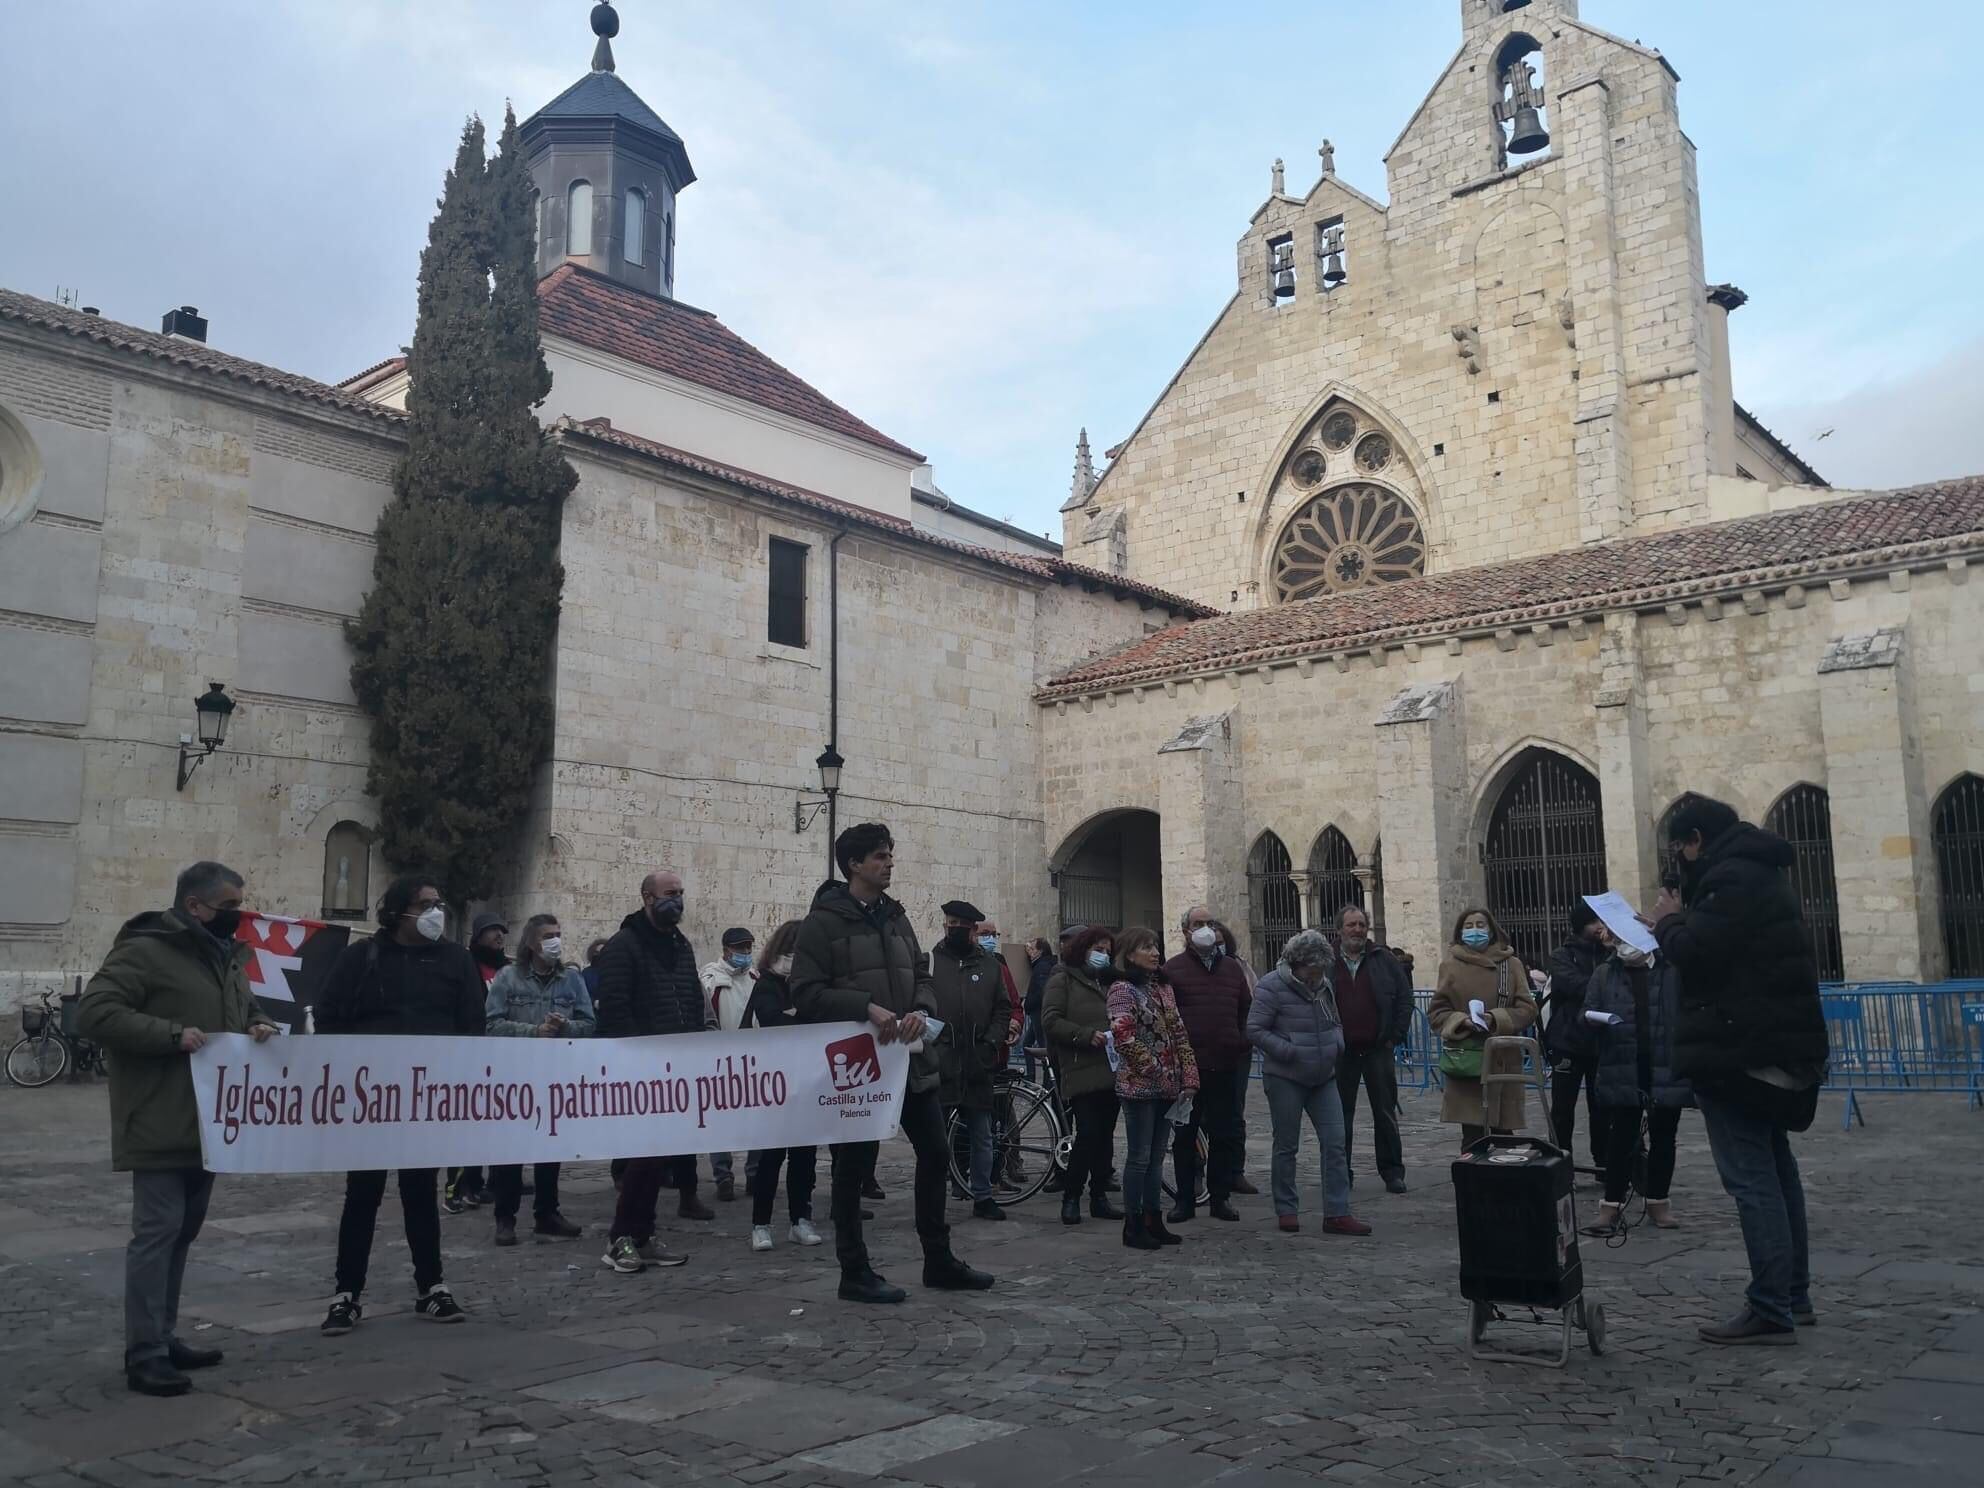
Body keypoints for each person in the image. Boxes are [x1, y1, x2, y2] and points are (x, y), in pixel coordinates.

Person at [78, 861, 281, 1396]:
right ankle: (143, 1352)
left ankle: (163, 1336)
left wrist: (258, 1022)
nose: (239, 916)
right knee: (156, 1234)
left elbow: (242, 1007)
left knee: (181, 1236)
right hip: (159, 1117)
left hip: (210, 1125)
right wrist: (170, 1034)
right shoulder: (144, 952)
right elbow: (95, 1014)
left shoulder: (226, 959)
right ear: (196, 907)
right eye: (230, 907)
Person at [791, 822, 994, 1303]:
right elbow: (806, 992)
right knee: (854, 1167)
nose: (889, 864)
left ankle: (938, 1259)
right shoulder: (822, 923)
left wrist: (921, 1009)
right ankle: (854, 1270)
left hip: (909, 1062)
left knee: (936, 1154)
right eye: (880, 857)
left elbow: (921, 974)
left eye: (890, 855)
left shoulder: (898, 916)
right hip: (859, 1068)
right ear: (855, 864)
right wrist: (865, 1006)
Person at [1653, 796, 1827, 1346]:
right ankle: (1792, 1294)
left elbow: (1700, 951)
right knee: (1776, 1171)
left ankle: (1772, 1304)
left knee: (1752, 1177)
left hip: (1739, 1053)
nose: (1679, 858)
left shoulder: (1729, 879)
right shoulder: (1760, 872)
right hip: (1772, 1044)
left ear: (1697, 839)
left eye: (1679, 845)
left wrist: (1666, 922)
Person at [316, 874, 484, 1334]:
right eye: (425, 903)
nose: (435, 911)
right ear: (398, 912)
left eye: (438, 902)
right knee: (362, 1197)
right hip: (372, 1102)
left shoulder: (455, 960)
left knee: (420, 1195)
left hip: (427, 1101)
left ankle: (432, 1286)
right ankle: (346, 1294)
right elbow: (328, 1017)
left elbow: (472, 1025)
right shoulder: (360, 958)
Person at [594, 868, 710, 1275]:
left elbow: (693, 1001)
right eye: (668, 893)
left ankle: (643, 1234)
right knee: (642, 1159)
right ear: (646, 897)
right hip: (642, 1069)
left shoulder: (680, 946)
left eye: (680, 892)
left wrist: (696, 1045)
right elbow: (613, 1006)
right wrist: (637, 1057)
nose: (676, 900)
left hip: (677, 1067)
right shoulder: (624, 946)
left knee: (659, 1161)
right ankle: (620, 1238)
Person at [1247, 928, 1371, 1236]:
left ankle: (1337, 1212)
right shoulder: (1270, 987)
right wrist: (1289, 1050)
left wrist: (1336, 1044)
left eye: (1319, 971)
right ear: (1296, 964)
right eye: (1310, 971)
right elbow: (1255, 1029)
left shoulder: (1324, 985)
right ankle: (1287, 1208)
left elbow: (1335, 1020)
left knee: (1335, 1143)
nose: (1315, 977)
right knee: (1287, 1145)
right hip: (1286, 1077)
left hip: (1323, 1076)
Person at [484, 913, 593, 1246]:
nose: (555, 941)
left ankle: (547, 1213)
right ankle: (506, 1217)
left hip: (557, 1075)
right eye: (548, 936)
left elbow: (590, 1024)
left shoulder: (572, 980)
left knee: (551, 1146)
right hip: (515, 1075)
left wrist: (566, 1027)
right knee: (511, 1151)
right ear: (531, 943)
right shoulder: (508, 978)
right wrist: (535, 1032)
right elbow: (491, 1025)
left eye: (559, 934)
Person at [1581, 935, 1690, 1235]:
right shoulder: (1605, 973)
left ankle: (1658, 1201)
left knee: (1664, 1137)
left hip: (1664, 1066)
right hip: (1622, 1064)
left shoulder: (1671, 971)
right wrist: (1592, 1020)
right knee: (1620, 1140)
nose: (1621, 945)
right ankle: (1610, 1206)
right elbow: (1587, 1011)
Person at [1107, 927, 1198, 1251]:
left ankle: (1153, 1218)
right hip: (1140, 1087)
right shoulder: (1122, 990)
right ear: (1130, 954)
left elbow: (1179, 1033)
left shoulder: (1163, 988)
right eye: (1147, 947)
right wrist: (1157, 1072)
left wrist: (1189, 1076)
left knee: (1158, 1157)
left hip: (1168, 1086)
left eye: (1156, 946)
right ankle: (1133, 1224)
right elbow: (1125, 1037)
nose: (1155, 952)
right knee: (1140, 1157)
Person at [1163, 908, 1251, 1223]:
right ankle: (1184, 1200)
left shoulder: (1231, 969)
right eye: (1198, 924)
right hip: (1189, 1070)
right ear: (1185, 931)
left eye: (1210, 924)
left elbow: (1245, 1009)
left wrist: (1241, 1040)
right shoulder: (1172, 969)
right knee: (1186, 1137)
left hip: (1226, 1064)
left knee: (1224, 1134)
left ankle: (1220, 1197)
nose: (1205, 929)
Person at [930, 901, 1015, 1220]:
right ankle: (933, 1197)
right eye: (950, 923)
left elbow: (1003, 1008)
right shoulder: (931, 962)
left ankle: (982, 1195)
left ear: (972, 930)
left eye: (961, 925)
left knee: (982, 1134)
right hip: (942, 1059)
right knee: (935, 1139)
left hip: (978, 1061)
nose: (954, 929)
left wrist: (991, 1041)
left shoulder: (991, 965)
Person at [741, 920, 823, 1251]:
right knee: (770, 1158)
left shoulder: (809, 986)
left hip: (806, 1081)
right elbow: (773, 1021)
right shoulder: (767, 985)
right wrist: (797, 1016)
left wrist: (796, 1014)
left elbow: (818, 1019)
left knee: (804, 1158)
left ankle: (800, 1219)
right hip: (774, 1085)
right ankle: (760, 1224)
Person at [1428, 907, 1539, 1148]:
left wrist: (1495, 1018)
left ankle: (1502, 1183)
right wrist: (1461, 1021)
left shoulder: (1511, 964)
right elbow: (1437, 1012)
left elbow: (1527, 1008)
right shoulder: (1450, 966)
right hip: (1467, 1059)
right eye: (1468, 926)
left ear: (1491, 930)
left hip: (1503, 1057)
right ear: (1460, 932)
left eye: (1480, 925)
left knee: (1503, 1133)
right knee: (1472, 1134)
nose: (1475, 931)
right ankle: (1471, 1184)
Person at [1041, 927, 1127, 1226]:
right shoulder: (1062, 978)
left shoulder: (1109, 981)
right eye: (1098, 949)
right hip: (1080, 1066)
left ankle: (1099, 1196)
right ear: (1083, 948)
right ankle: (1072, 1196)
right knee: (1088, 1133)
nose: (1103, 955)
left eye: (1106, 950)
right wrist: (1084, 1035)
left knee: (1105, 1136)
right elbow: (1051, 1020)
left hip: (1111, 1067)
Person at [1330, 905, 1415, 1196]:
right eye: (1351, 924)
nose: (1357, 930)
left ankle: (1392, 1172)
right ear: (1339, 929)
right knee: (1341, 1116)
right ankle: (1342, 1173)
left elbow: (1405, 998)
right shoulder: (1327, 960)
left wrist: (1395, 1036)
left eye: (1361, 924)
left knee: (1385, 1112)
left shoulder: (1384, 960)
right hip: (1342, 1053)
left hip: (1378, 1048)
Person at [443, 911, 508, 1214]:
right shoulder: (464, 965)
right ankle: (457, 1188)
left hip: (500, 1057)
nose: (499, 936)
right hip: (469, 1053)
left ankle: (483, 1183)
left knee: (493, 1123)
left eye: (501, 931)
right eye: (492, 931)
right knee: (464, 1124)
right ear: (478, 936)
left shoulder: (507, 969)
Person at [1543, 901, 1608, 1171]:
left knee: (1602, 1107)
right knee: (1562, 1108)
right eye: (1594, 922)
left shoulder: (1609, 954)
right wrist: (1605, 983)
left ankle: (1604, 1161)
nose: (1600, 928)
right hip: (1568, 1041)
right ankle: (1560, 1160)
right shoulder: (1561, 956)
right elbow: (1575, 985)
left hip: (1601, 1043)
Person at [1204, 914, 1261, 1196]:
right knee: (1198, 1115)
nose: (1217, 947)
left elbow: (1252, 1004)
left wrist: (1243, 1038)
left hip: (1236, 1050)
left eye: (1221, 942)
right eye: (1212, 943)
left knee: (1234, 1113)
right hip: (1201, 1051)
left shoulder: (1240, 968)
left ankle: (1234, 1172)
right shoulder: (1184, 968)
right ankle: (1197, 1173)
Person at [701, 927, 758, 1202]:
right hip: (720, 1060)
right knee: (719, 1121)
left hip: (755, 1060)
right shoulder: (711, 979)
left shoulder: (756, 979)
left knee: (758, 1118)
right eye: (740, 948)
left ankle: (755, 1174)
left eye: (748, 948)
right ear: (726, 950)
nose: (745, 953)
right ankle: (723, 1175)